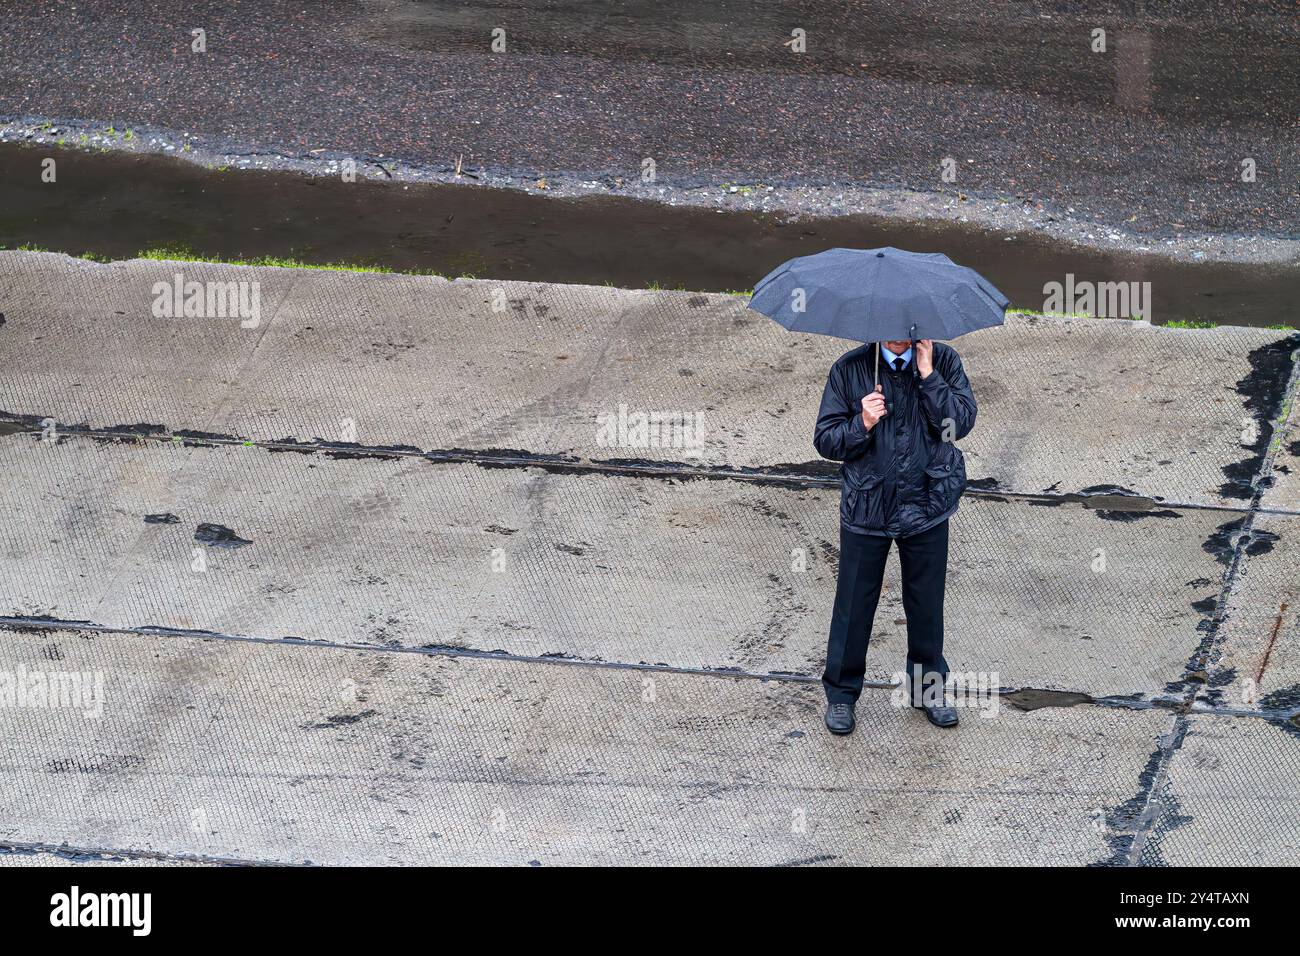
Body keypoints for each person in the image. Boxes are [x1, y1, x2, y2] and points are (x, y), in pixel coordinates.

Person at [813, 338, 976, 734]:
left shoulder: (944, 362)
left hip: (927, 504)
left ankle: (927, 690)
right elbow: (826, 440)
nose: (899, 332)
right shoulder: (850, 369)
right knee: (853, 604)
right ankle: (841, 696)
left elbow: (959, 426)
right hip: (868, 507)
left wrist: (928, 376)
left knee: (926, 603)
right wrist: (862, 423)